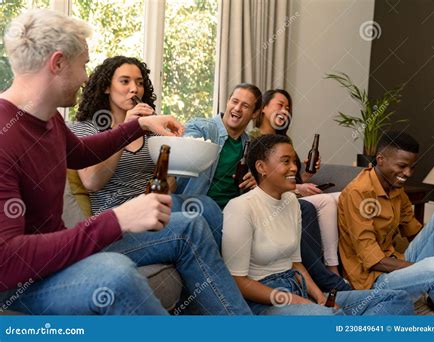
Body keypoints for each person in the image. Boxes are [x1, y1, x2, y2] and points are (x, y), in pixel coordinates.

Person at [0, 9, 251, 315]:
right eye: (84, 66)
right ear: (57, 63)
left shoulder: (48, 118)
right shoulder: (5, 136)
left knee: (190, 227)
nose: (86, 78)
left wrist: (139, 125)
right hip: (18, 285)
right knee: (114, 274)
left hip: (57, 253)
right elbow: (7, 262)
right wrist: (117, 219)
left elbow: (81, 152)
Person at [222, 134, 414, 315]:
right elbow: (237, 282)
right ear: (261, 167)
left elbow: (296, 263)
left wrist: (320, 298)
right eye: (285, 161)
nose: (295, 168)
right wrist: (298, 301)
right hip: (266, 301)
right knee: (332, 319)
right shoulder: (240, 207)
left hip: (298, 288)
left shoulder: (291, 202)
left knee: (397, 299)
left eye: (294, 161)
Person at [70, 56, 222, 245]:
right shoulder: (87, 128)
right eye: (125, 81)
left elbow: (169, 185)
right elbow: (92, 182)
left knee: (208, 207)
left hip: (152, 209)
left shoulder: (151, 132)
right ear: (106, 87)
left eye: (139, 83)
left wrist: (173, 150)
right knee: (194, 222)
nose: (134, 88)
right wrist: (126, 129)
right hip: (119, 218)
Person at [338, 131, 434, 313]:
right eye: (402, 166)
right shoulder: (358, 193)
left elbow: (415, 233)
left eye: (412, 167)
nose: (408, 173)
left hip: (397, 264)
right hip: (374, 280)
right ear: (380, 159)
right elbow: (373, 261)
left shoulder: (395, 187)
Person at [251, 89, 349, 291]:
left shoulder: (285, 142)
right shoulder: (253, 139)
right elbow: (266, 184)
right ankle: (331, 272)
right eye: (279, 105)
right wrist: (298, 188)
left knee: (342, 197)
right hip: (276, 199)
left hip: (289, 192)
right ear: (263, 108)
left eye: (288, 107)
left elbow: (290, 179)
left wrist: (305, 178)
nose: (284, 110)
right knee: (324, 202)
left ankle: (345, 268)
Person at [175, 83, 260, 209]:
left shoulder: (251, 146)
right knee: (208, 205)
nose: (237, 108)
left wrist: (256, 179)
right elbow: (181, 151)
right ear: (227, 102)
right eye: (234, 101)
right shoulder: (200, 128)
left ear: (255, 113)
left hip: (233, 210)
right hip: (196, 206)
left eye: (245, 106)